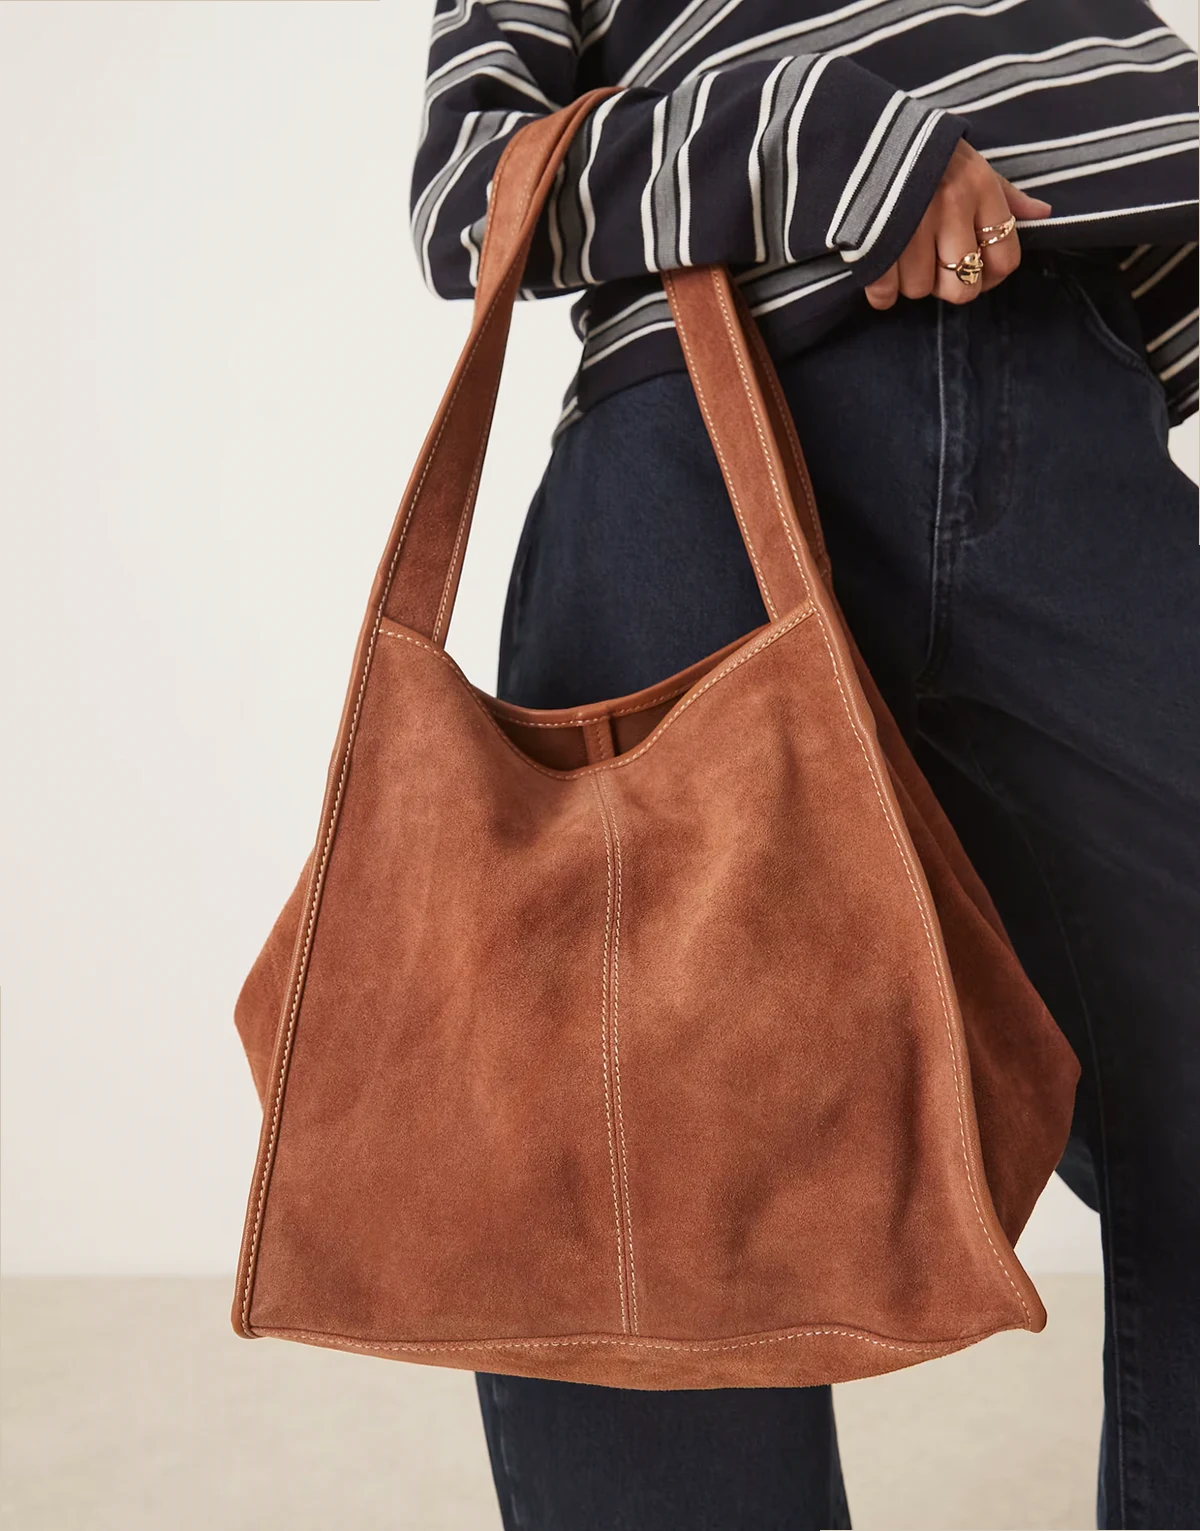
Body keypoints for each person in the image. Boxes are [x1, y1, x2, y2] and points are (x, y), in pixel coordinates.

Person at [410, 3, 1199, 1527]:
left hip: (1071, 428)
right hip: (698, 437)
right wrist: (838, 145)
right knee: (650, 1211)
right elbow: (474, 188)